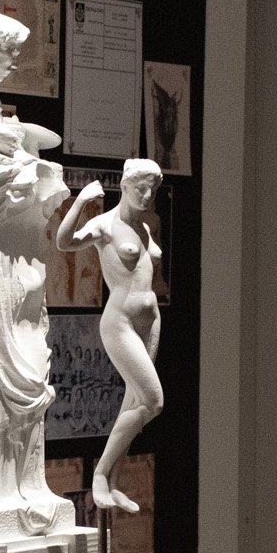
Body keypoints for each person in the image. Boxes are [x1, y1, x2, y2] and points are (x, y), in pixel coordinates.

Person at [58, 161, 165, 511]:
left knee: (134, 403)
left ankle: (115, 482)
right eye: (140, 188)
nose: (147, 196)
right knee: (153, 402)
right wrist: (80, 201)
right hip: (119, 322)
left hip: (150, 320)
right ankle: (101, 474)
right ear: (125, 184)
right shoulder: (105, 225)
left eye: (152, 189)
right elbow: (65, 243)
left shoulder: (147, 226)